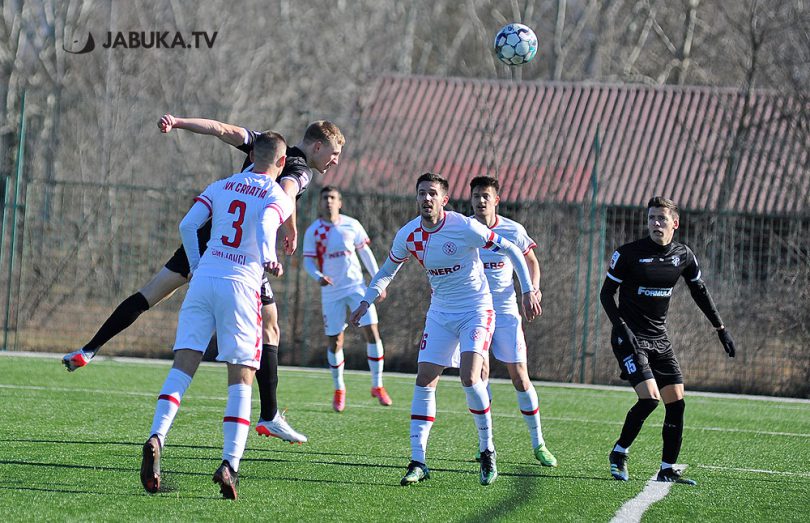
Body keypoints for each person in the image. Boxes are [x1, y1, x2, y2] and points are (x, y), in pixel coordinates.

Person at [63, 114, 344, 444]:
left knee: (148, 295)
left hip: (202, 240)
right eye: (334, 153)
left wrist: (179, 122)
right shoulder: (300, 170)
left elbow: (221, 129)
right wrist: (283, 234)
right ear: (317, 145)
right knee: (270, 324)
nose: (335, 161)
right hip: (234, 256)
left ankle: (89, 349)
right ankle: (268, 416)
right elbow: (283, 193)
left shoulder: (263, 142)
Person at [349, 173, 541, 487]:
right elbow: (387, 271)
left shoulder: (463, 227)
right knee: (424, 379)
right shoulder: (409, 234)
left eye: (433, 193)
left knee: (469, 376)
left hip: (477, 310)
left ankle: (487, 450)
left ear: (444, 199)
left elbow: (512, 249)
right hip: (440, 312)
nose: (427, 199)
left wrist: (528, 290)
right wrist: (366, 301)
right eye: (422, 193)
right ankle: (418, 460)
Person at [140, 131, 293, 499]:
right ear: (282, 162)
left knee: (182, 366)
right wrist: (269, 255)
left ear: (252, 154)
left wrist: (195, 265)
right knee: (241, 379)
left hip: (205, 279)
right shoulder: (277, 194)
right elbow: (265, 223)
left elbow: (188, 225)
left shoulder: (222, 184)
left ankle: (157, 435)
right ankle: (229, 464)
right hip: (241, 287)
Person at [600, 196, 736, 486]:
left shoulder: (683, 255)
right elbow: (605, 294)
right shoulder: (628, 254)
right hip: (629, 338)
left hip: (660, 339)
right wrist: (621, 327)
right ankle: (619, 452)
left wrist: (720, 328)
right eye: (651, 218)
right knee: (650, 398)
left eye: (661, 218)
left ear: (675, 223)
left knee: (676, 402)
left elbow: (700, 291)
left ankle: (667, 468)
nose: (655, 223)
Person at [469, 176, 557, 467]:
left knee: (520, 376)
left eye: (486, 196)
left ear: (496, 200)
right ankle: (487, 447)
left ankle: (539, 444)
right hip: (475, 313)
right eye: (477, 196)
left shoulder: (512, 230)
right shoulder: (464, 229)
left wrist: (531, 289)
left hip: (506, 312)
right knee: (479, 376)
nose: (481, 201)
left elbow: (531, 261)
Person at [302, 186, 392, 412]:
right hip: (331, 293)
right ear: (320, 203)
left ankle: (377, 385)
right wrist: (318, 276)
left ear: (340, 202)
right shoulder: (314, 231)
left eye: (332, 198)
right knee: (335, 341)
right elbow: (308, 262)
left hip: (356, 289)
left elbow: (365, 253)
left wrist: (377, 280)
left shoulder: (352, 224)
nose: (328, 202)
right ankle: (339, 388)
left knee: (372, 331)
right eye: (325, 198)